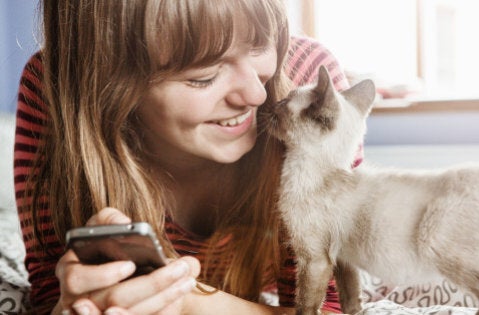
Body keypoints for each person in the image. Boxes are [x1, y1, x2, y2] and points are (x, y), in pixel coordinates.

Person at [14, 1, 358, 314]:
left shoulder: (310, 87)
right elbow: (49, 293)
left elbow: (331, 307)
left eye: (260, 44)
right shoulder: (53, 87)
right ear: (109, 82)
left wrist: (186, 300)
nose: (256, 94)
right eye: (203, 77)